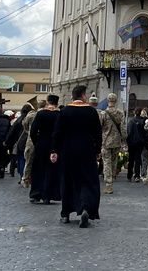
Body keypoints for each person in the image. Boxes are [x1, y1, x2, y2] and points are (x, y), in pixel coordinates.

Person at [52, 85, 103, 227]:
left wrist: (54, 150)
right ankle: (86, 207)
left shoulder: (64, 111)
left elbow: (57, 133)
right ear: (83, 96)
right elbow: (98, 134)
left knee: (67, 180)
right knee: (88, 180)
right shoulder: (91, 112)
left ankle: (65, 213)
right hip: (86, 150)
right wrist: (97, 150)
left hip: (67, 151)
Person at [29, 96, 62, 202]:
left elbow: (33, 131)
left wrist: (36, 142)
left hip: (42, 143)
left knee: (38, 168)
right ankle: (49, 195)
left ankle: (36, 193)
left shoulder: (41, 114)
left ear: (48, 102)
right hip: (55, 144)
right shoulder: (59, 114)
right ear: (57, 103)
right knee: (52, 170)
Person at [100, 93, 125, 194]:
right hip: (117, 141)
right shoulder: (120, 113)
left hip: (106, 141)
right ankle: (113, 176)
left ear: (108, 100)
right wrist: (123, 138)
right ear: (116, 100)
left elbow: (99, 127)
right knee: (114, 161)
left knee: (106, 162)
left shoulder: (103, 113)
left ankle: (108, 184)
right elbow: (123, 128)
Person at [23, 100, 47, 188]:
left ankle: (26, 179)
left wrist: (28, 132)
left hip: (30, 141)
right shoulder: (45, 114)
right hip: (42, 140)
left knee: (29, 161)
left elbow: (25, 125)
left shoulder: (30, 115)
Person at [7, 104, 32, 178]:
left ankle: (22, 176)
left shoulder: (19, 120)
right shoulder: (32, 118)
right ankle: (28, 176)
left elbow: (12, 131)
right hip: (30, 141)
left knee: (21, 159)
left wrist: (7, 141)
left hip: (20, 142)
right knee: (28, 159)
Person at [126, 107, 148, 182]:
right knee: (138, 159)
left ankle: (129, 175)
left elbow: (128, 132)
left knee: (131, 159)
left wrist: (127, 142)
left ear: (134, 112)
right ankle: (137, 176)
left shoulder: (131, 121)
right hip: (140, 143)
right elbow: (145, 132)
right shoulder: (142, 121)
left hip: (132, 143)